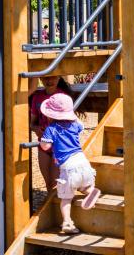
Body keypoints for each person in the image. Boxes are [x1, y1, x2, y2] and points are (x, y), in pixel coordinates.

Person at [39, 93, 100, 234]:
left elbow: (46, 147)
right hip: (83, 163)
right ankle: (91, 192)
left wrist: (42, 140)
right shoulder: (74, 125)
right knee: (84, 185)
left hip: (68, 168)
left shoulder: (51, 129)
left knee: (66, 199)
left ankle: (67, 222)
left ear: (50, 115)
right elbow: (81, 126)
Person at [29, 76, 77, 191]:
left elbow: (70, 123)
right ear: (40, 78)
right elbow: (32, 123)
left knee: (56, 183)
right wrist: (36, 128)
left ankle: (58, 206)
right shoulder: (37, 97)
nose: (49, 81)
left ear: (59, 77)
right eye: (46, 78)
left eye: (53, 78)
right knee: (48, 183)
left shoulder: (63, 97)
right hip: (44, 144)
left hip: (59, 146)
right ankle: (51, 207)